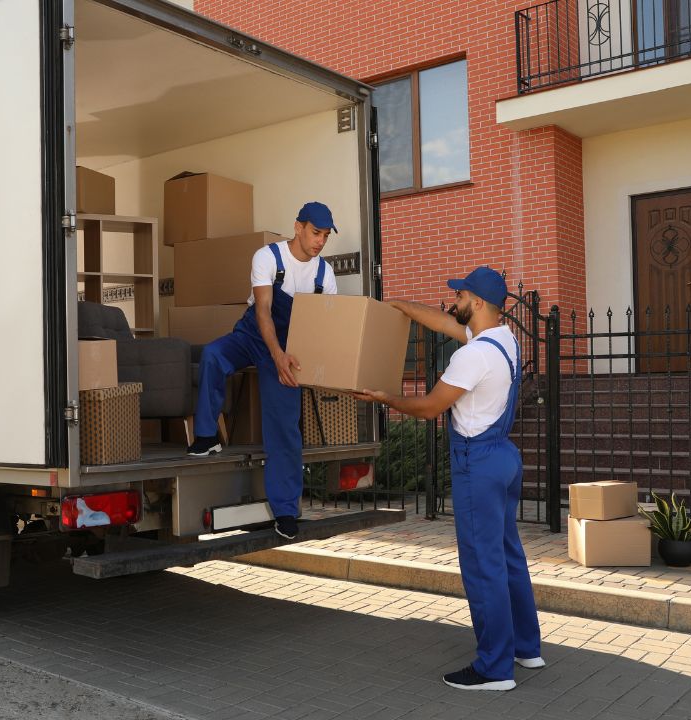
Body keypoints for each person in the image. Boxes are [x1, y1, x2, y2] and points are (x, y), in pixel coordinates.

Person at [353, 266, 542, 692]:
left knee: (482, 565)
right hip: (504, 457)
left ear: (477, 302)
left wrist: (385, 398)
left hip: (478, 463)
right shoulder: (505, 340)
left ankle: (494, 669)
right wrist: (400, 305)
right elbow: (443, 322)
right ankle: (526, 648)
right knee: (508, 556)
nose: (454, 302)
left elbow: (428, 408)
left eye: (459, 296)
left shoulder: (471, 356)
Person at [186, 202, 338, 540]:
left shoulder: (324, 275)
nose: (320, 241)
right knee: (213, 355)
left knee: (283, 426)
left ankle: (285, 511)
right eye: (316, 233)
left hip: (291, 345)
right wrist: (275, 354)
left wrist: (298, 361)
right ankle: (207, 436)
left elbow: (322, 325)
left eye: (326, 236)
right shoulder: (268, 257)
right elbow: (264, 311)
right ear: (298, 227)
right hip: (254, 335)